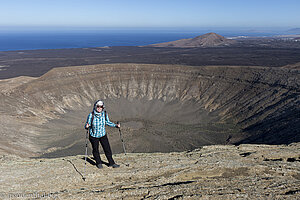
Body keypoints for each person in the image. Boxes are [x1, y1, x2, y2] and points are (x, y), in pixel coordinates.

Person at [85, 100, 120, 169]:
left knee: (107, 149)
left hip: (102, 135)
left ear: (103, 107)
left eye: (101, 107)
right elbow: (87, 124)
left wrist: (115, 125)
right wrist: (87, 126)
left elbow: (107, 122)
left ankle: (111, 163)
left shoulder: (104, 114)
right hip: (94, 136)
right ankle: (98, 163)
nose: (99, 108)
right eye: (98, 106)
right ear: (95, 107)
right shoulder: (91, 115)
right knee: (95, 149)